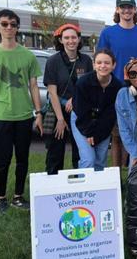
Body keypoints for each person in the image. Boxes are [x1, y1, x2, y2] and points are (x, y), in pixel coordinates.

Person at [0, 9, 43, 212]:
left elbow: (33, 86)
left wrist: (38, 113)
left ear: (17, 27)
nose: (9, 28)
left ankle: (18, 196)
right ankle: (1, 199)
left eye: (13, 24)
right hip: (1, 116)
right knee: (3, 161)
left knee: (22, 159)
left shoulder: (27, 56)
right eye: (5, 24)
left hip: (24, 115)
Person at [97, 0, 137, 169]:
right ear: (117, 10)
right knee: (118, 135)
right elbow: (101, 61)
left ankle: (134, 173)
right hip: (117, 90)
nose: (126, 10)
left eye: (130, 7)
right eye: (123, 7)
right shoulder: (108, 33)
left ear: (134, 9)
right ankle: (117, 175)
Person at [43, 23, 93, 175]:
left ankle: (78, 183)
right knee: (55, 150)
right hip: (58, 109)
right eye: (66, 38)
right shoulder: (53, 61)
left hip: (79, 110)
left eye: (73, 37)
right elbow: (52, 91)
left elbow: (89, 86)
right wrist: (60, 119)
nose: (70, 41)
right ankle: (53, 182)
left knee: (80, 149)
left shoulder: (86, 60)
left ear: (79, 40)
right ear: (60, 40)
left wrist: (75, 99)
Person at [71, 49, 123, 171]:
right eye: (99, 63)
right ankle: (84, 188)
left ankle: (98, 189)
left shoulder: (117, 86)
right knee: (89, 160)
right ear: (94, 65)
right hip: (82, 120)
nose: (103, 66)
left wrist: (98, 134)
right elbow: (81, 111)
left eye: (107, 63)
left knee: (100, 161)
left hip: (103, 123)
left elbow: (110, 115)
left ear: (113, 65)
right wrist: (89, 132)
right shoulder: (83, 83)